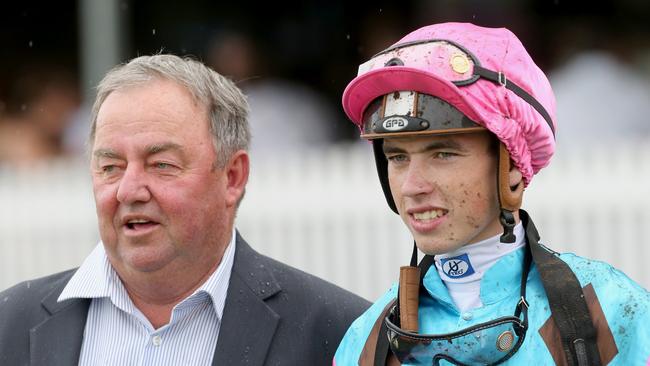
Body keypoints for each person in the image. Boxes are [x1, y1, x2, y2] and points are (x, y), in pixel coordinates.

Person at [0, 54, 369, 365]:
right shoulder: (10, 323)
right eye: (110, 167)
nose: (129, 190)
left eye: (161, 164)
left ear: (232, 176)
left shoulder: (339, 333)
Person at [333, 22, 650, 365]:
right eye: (397, 157)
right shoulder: (367, 341)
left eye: (443, 154)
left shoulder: (609, 311)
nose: (412, 185)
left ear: (512, 165)